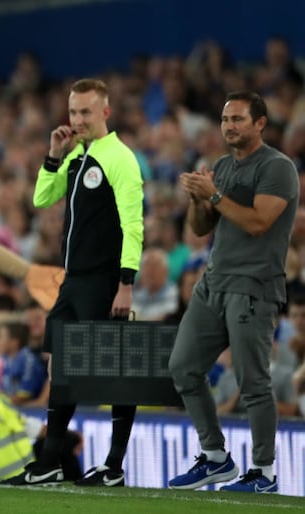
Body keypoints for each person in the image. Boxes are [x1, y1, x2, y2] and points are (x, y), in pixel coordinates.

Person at [3, 78, 144, 487]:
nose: (78, 119)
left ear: (105, 112)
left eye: (86, 112)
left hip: (105, 281)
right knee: (61, 367)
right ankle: (49, 461)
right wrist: (53, 156)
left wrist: (126, 282)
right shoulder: (77, 156)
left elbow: (133, 225)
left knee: (115, 372)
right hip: (73, 281)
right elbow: (42, 199)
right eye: (73, 112)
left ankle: (114, 466)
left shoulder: (119, 157)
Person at [167, 91, 299, 494]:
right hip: (214, 283)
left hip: (253, 286)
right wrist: (197, 199)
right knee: (183, 367)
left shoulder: (278, 168)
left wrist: (214, 195)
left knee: (252, 381)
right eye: (225, 120)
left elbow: (258, 222)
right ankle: (215, 458)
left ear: (260, 123)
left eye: (238, 119)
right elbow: (201, 228)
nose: (229, 127)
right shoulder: (222, 166)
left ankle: (264, 472)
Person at [0, 355, 82, 481]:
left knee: (63, 445)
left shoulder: (1, 403)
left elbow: (32, 427)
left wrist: (72, 436)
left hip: (26, 481)